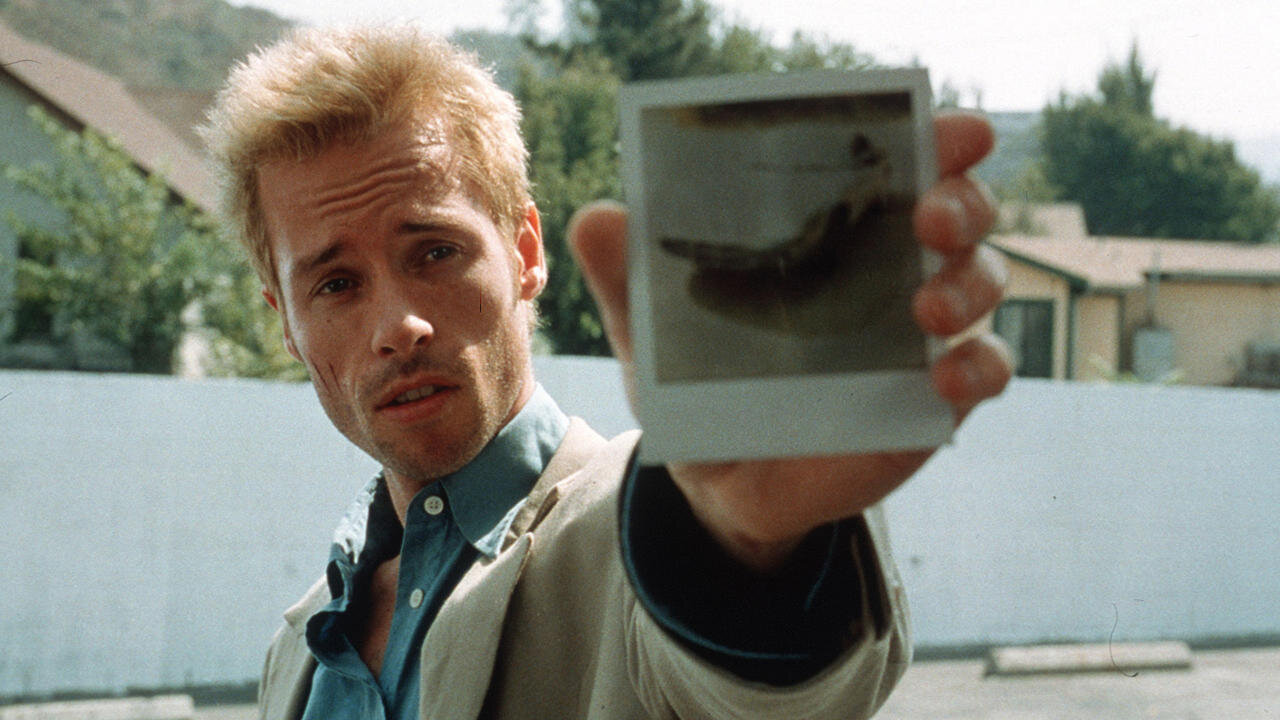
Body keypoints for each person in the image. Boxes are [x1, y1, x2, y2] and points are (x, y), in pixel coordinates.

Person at [200, 23, 1010, 720]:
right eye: (336, 285)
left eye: (436, 252)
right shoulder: (296, 650)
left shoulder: (650, 533)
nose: (397, 326)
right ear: (287, 323)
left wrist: (753, 547)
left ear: (525, 253)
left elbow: (759, 690)